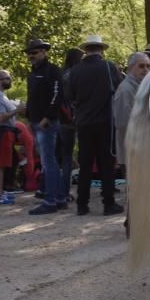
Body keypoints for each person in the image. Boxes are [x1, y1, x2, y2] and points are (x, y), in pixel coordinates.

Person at [66, 35, 125, 216]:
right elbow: (119, 88)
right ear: (101, 49)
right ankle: (108, 203)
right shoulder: (108, 67)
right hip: (105, 122)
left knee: (85, 164)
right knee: (106, 164)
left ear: (86, 50)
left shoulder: (75, 71)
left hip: (84, 123)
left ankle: (82, 204)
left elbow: (69, 97)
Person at [24, 39, 66, 215]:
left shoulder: (53, 71)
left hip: (47, 123)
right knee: (50, 162)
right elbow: (31, 97)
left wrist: (48, 116)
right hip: (35, 122)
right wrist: (28, 117)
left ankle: (50, 201)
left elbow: (58, 95)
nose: (31, 56)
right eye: (29, 54)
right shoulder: (32, 73)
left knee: (49, 162)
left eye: (34, 53)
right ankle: (59, 198)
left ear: (43, 52)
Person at [0, 70, 21, 205]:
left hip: (2, 132)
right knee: (0, 165)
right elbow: (0, 118)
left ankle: (3, 192)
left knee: (5, 163)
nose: (9, 81)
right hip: (1, 133)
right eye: (7, 78)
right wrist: (17, 110)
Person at [113, 52, 150, 164]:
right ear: (130, 68)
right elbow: (123, 123)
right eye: (141, 66)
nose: (146, 69)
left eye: (148, 66)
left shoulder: (142, 87)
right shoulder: (125, 90)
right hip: (132, 153)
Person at [58, 47, 83, 202]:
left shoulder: (61, 74)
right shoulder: (76, 74)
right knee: (74, 155)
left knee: (64, 157)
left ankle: (62, 189)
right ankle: (71, 190)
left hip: (61, 119)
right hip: (75, 118)